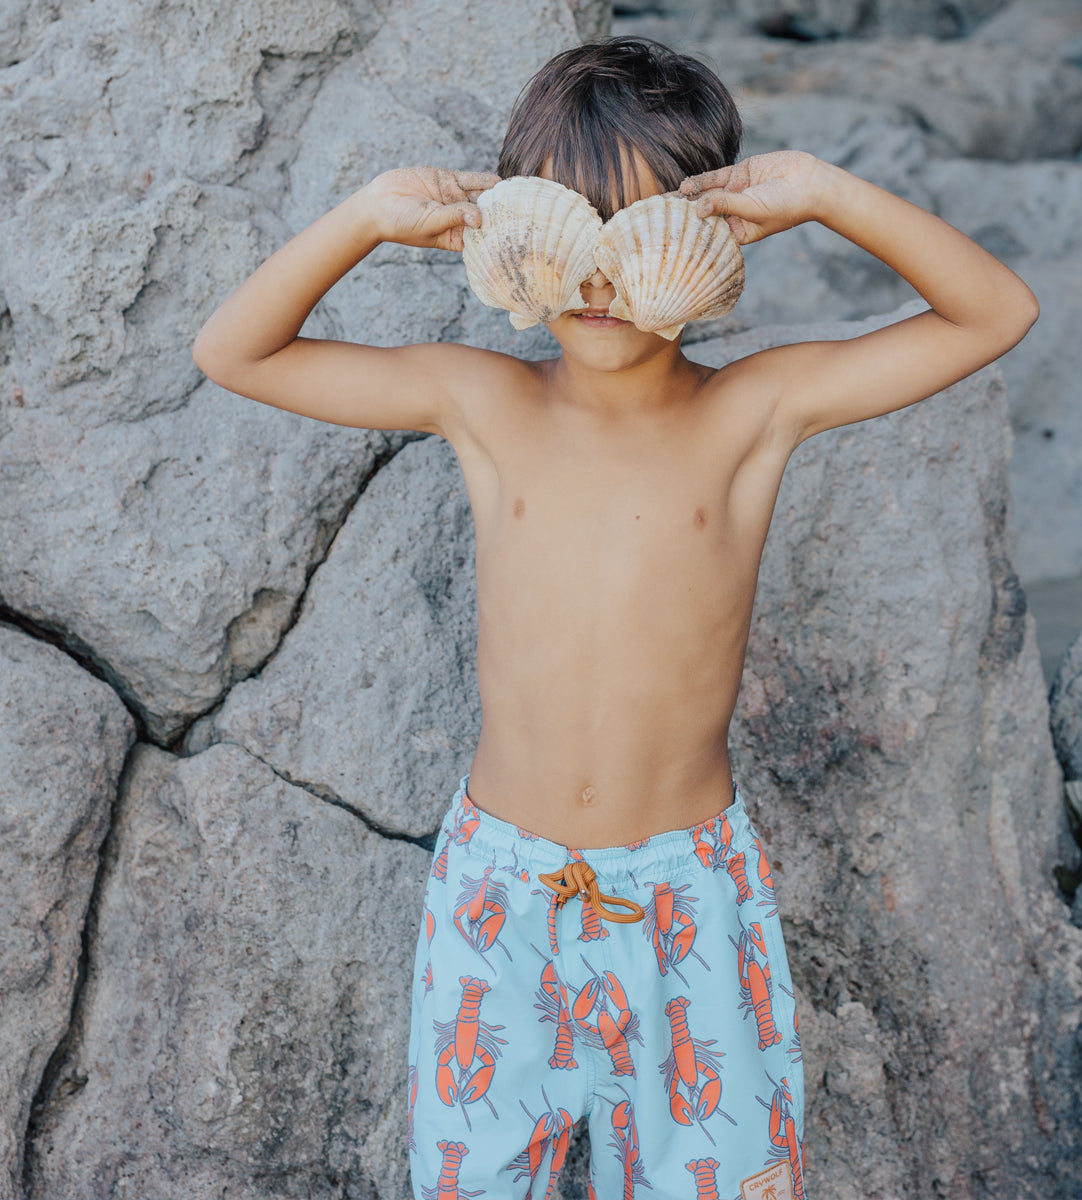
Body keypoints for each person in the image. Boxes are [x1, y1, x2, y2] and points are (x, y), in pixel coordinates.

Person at [192, 34, 1037, 1200]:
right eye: (570, 232)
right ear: (516, 232)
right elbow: (232, 352)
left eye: (636, 235)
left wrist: (820, 192)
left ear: (706, 237)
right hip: (500, 889)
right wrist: (372, 215)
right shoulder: (481, 399)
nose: (598, 279)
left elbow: (994, 313)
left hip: (688, 891)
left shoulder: (755, 410)